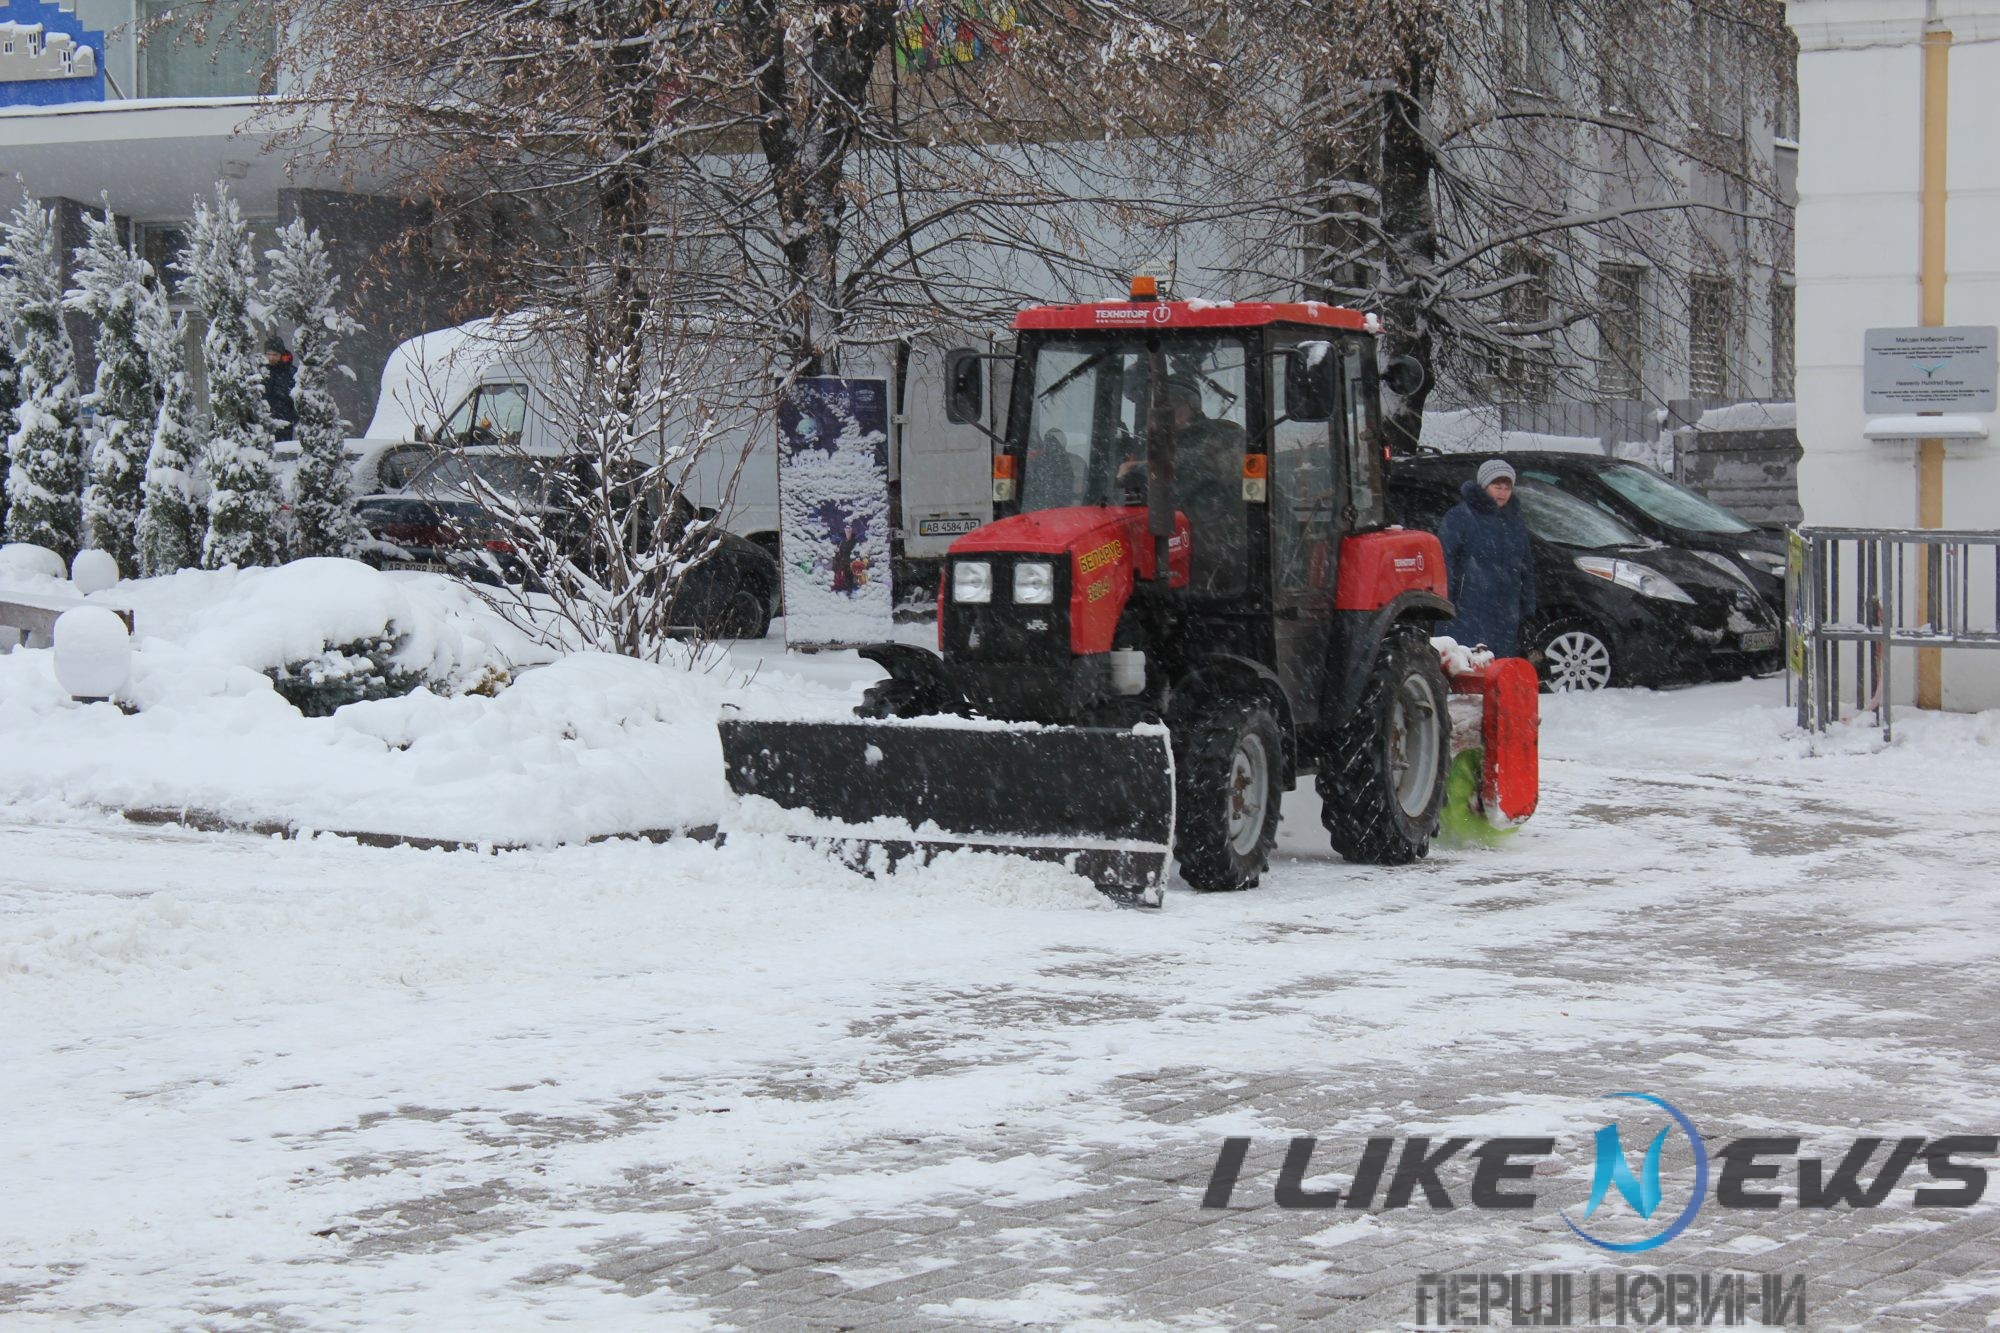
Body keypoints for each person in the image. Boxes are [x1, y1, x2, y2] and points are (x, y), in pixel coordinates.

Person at [1437, 458, 1537, 656]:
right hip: (1468, 606)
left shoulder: (1515, 523)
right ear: (1483, 486)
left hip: (1506, 609)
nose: (1502, 492)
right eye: (1496, 486)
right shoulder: (1460, 516)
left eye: (1507, 487)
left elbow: (1526, 567)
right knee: (1467, 662)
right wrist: (1444, 602)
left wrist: (1528, 608)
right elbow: (1444, 560)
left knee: (1498, 666)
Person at [263, 335, 298, 441]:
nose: (271, 358)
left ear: (281, 355)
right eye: (268, 354)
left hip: (284, 422)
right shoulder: (261, 370)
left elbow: (297, 397)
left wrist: (292, 417)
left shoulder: (291, 373)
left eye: (275, 355)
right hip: (263, 422)